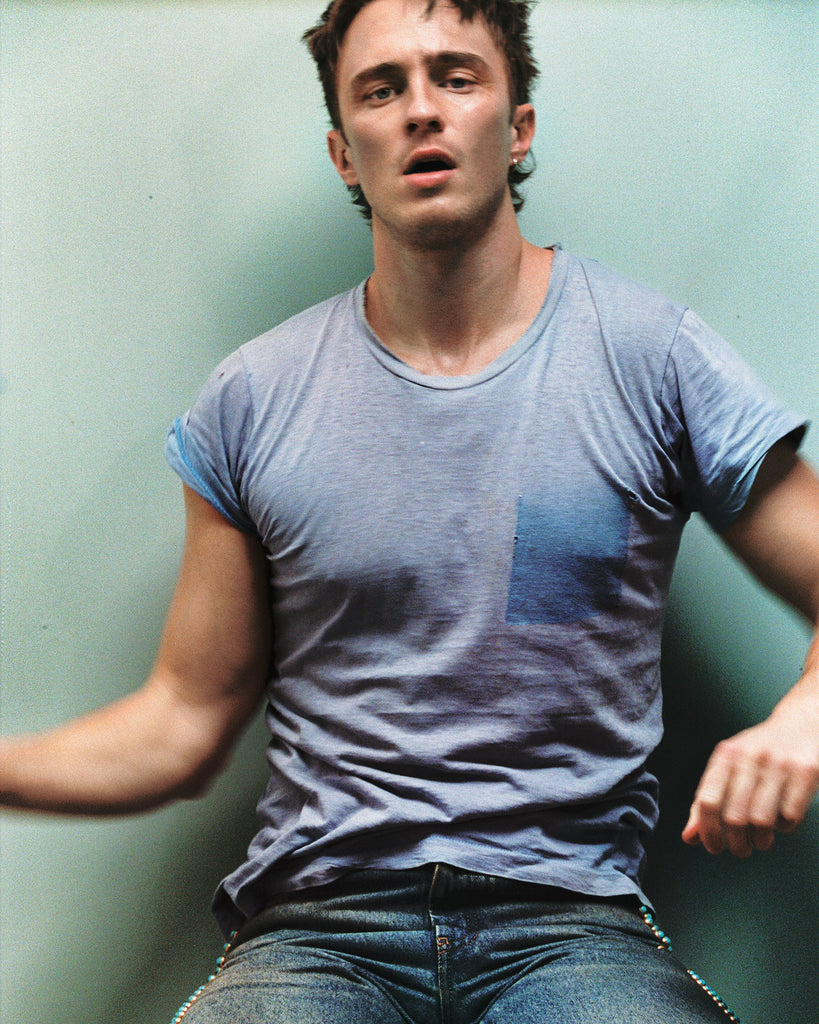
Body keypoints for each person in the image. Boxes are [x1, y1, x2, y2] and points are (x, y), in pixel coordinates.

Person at [2, 1, 818, 1021]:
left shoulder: (652, 359)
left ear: (518, 126)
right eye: (382, 89)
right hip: (319, 931)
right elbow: (182, 719)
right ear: (345, 154)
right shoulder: (252, 400)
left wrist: (803, 716)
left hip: (570, 926)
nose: (422, 111)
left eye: (457, 77)